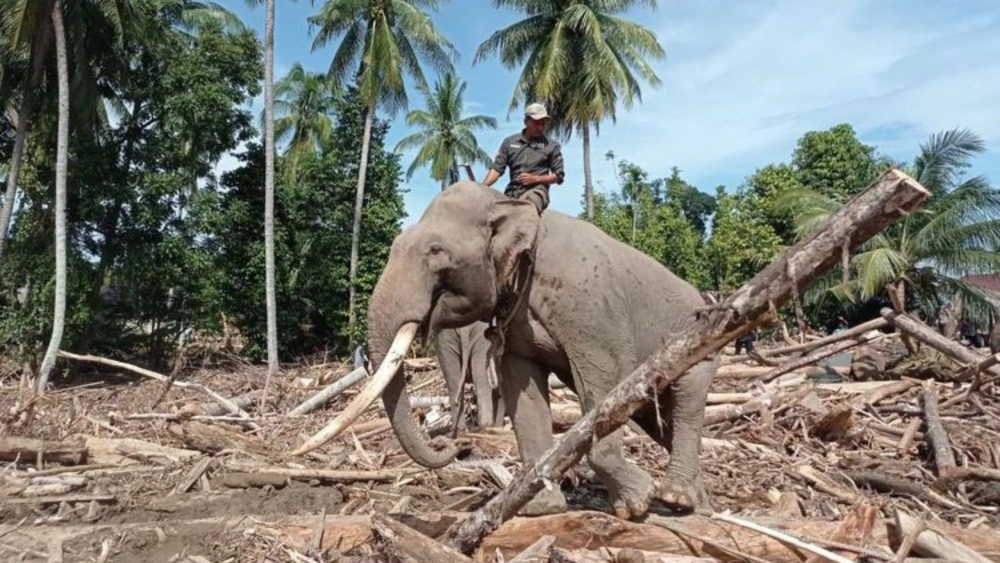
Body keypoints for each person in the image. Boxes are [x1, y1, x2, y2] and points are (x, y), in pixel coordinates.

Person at [482, 102, 565, 214]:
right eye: (536, 123)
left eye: (543, 123)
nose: (540, 127)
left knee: (527, 209)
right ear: (526, 121)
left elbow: (558, 176)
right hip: (512, 193)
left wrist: (535, 179)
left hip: (537, 192)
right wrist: (482, 187)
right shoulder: (509, 142)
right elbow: (497, 169)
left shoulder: (552, 146)